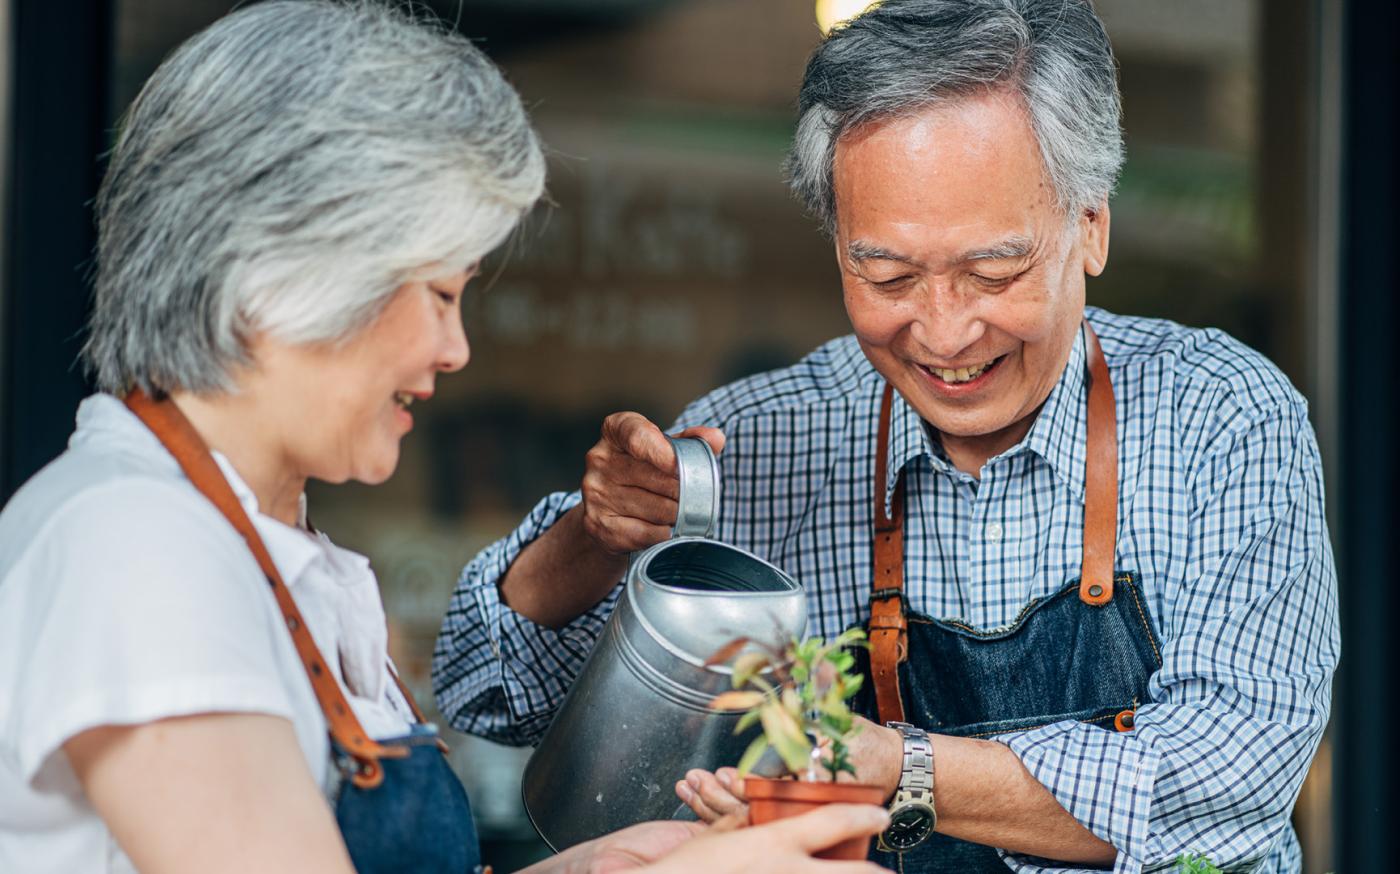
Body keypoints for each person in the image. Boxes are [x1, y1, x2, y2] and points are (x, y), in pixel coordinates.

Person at [432, 0, 1340, 871]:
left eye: (992, 270)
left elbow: (1231, 778)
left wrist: (902, 771)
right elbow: (489, 692)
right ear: (838, 247)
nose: (944, 333)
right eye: (890, 275)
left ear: (1090, 225)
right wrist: (594, 540)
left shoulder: (1220, 415)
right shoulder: (761, 440)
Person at [0, 3, 892, 872]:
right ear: (280, 268)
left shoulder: (256, 548)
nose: (454, 349)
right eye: (436, 295)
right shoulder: (136, 551)